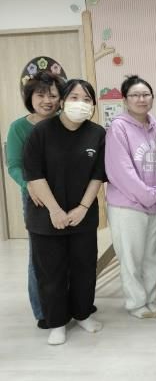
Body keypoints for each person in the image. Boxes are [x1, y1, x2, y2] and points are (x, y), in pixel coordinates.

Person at [23, 79, 105, 345]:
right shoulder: (41, 132)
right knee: (51, 272)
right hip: (46, 216)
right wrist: (55, 210)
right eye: (74, 97)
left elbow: (98, 175)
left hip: (83, 215)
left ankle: (83, 314)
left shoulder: (97, 133)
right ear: (62, 101)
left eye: (86, 99)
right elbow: (34, 174)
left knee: (84, 269)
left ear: (93, 105)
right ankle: (56, 322)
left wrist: (83, 208)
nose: (80, 103)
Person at [105, 76, 156, 319]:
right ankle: (136, 303)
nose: (141, 99)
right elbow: (121, 170)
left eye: (145, 94)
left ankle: (150, 298)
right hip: (128, 205)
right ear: (125, 100)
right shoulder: (118, 128)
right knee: (131, 258)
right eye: (135, 95)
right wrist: (150, 193)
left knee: (153, 256)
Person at [6, 71, 64, 328]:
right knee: (40, 256)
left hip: (66, 196)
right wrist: (27, 185)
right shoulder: (19, 128)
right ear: (30, 98)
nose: (47, 101)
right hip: (36, 199)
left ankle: (68, 304)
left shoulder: (66, 123)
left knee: (67, 253)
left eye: (53, 95)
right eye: (40, 95)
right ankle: (42, 311)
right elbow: (14, 165)